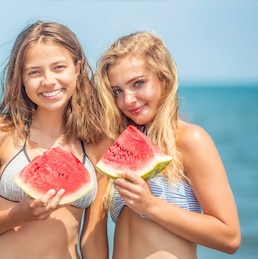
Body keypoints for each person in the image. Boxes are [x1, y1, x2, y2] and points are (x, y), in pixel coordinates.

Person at [0, 21, 112, 259]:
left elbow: (94, 239)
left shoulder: (96, 142)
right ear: (22, 79)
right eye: (35, 72)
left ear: (77, 69)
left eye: (59, 67)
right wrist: (18, 215)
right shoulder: (1, 133)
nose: (48, 81)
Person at [95, 31, 241, 258]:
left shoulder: (191, 139)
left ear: (163, 78)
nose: (128, 100)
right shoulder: (116, 144)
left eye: (138, 83)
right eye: (117, 91)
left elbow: (229, 237)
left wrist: (150, 205)